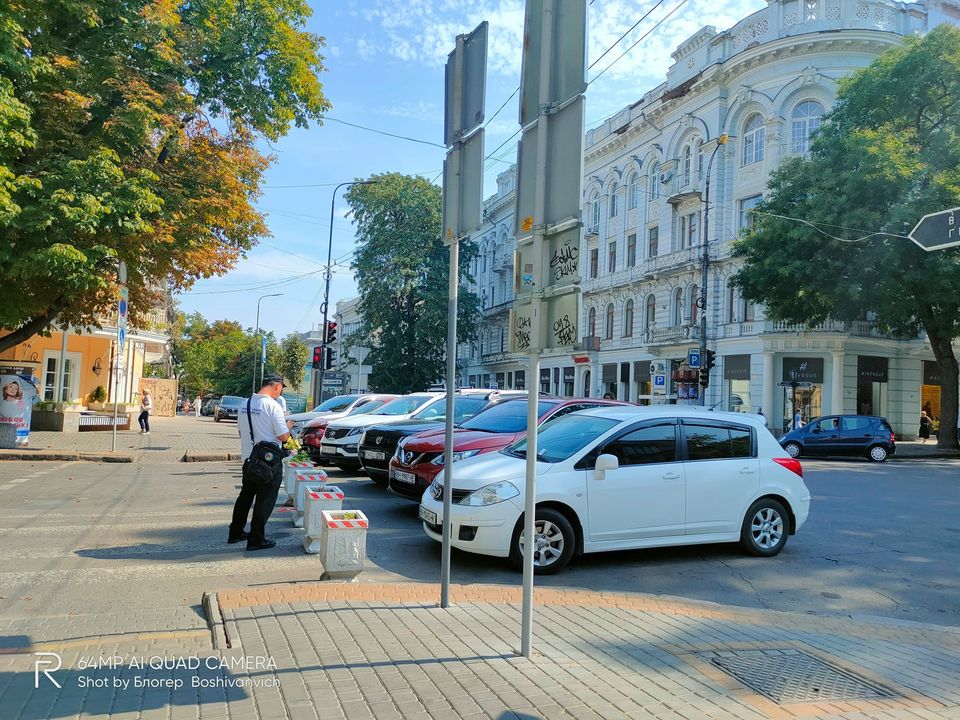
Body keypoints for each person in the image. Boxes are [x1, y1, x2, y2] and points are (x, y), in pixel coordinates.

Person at [229, 375, 290, 551]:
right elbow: (283, 436)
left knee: (245, 497)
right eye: (281, 389)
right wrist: (289, 428)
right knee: (265, 500)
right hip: (268, 463)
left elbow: (241, 432)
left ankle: (235, 532)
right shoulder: (273, 406)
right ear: (276, 387)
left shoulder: (244, 404)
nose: (280, 392)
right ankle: (256, 538)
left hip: (248, 460)